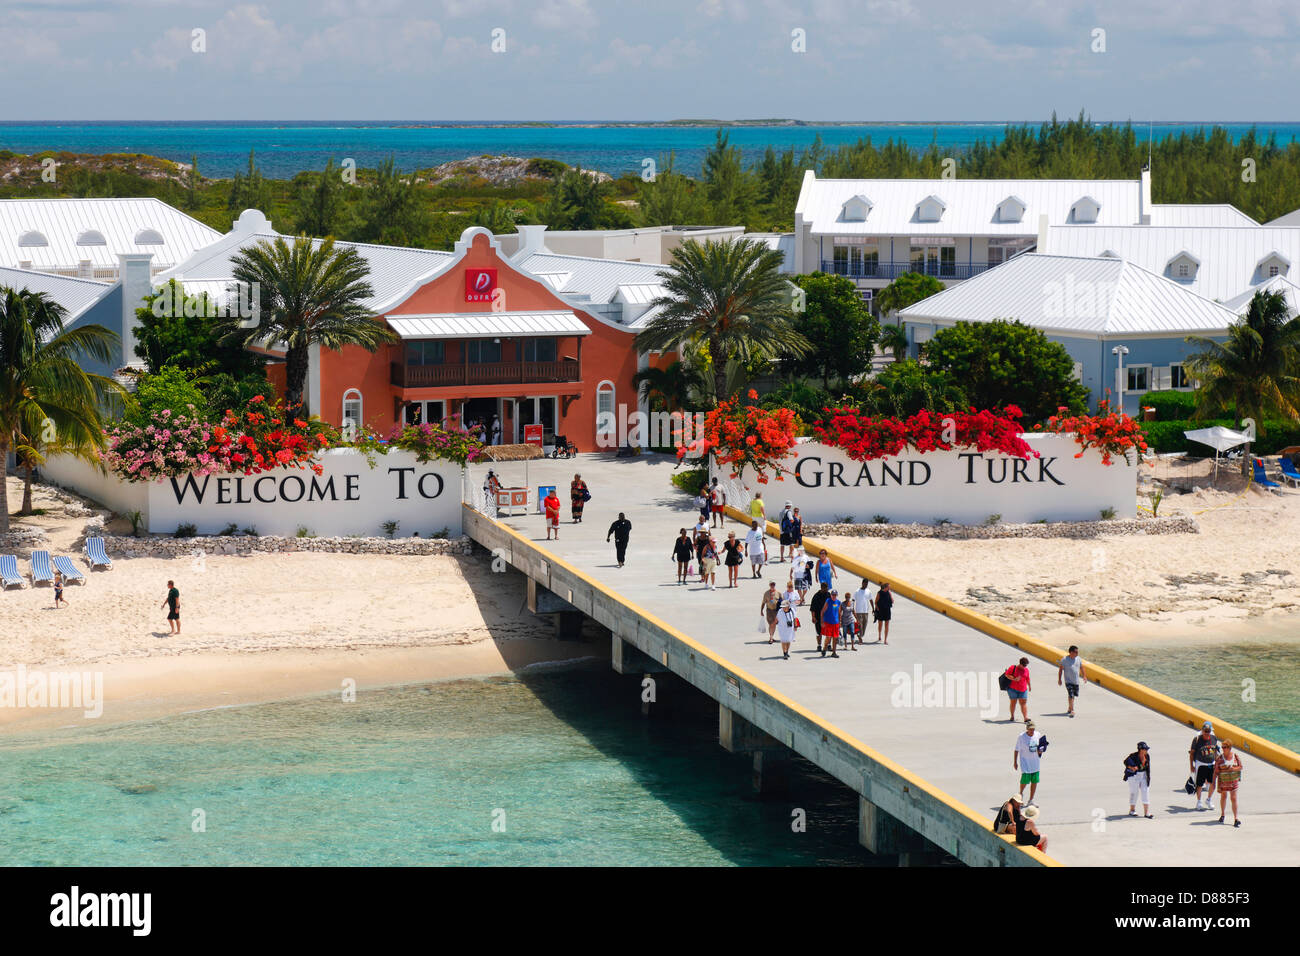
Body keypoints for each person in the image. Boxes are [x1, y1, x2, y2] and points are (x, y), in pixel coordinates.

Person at [1189, 721, 1221, 811]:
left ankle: (1209, 800)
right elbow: (1192, 753)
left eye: (1208, 731)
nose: (1207, 733)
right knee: (1199, 784)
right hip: (1200, 764)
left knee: (1213, 784)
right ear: (1202, 731)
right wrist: (1191, 765)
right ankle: (1199, 801)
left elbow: (1215, 751)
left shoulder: (1214, 738)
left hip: (1211, 764)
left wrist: (1217, 762)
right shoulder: (1197, 739)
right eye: (1205, 731)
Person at [1014, 719, 1045, 804]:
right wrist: (1015, 762)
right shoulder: (1021, 737)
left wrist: (1040, 751)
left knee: (1034, 781)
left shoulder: (1038, 734)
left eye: (1033, 729)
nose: (1032, 731)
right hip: (1025, 763)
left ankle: (1031, 800)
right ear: (1027, 729)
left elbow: (1040, 747)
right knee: (1024, 781)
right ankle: (1020, 795)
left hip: (1035, 763)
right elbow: (1016, 750)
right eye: (1030, 729)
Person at [1214, 739, 1243, 827]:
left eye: (1225, 747)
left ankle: (1236, 819)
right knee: (1224, 796)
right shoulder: (1219, 758)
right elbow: (1216, 770)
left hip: (1233, 782)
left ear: (1230, 748)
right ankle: (1223, 814)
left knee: (1233, 798)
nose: (1223, 749)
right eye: (1222, 747)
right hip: (1223, 781)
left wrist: (1233, 769)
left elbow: (1241, 767)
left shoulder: (1235, 756)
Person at [1124, 742, 1153, 818]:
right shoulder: (1133, 756)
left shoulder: (1147, 756)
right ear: (1140, 750)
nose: (1147, 750)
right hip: (1134, 776)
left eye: (1147, 749)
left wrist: (1148, 777)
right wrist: (1132, 767)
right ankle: (1132, 810)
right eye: (1145, 749)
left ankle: (1146, 813)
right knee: (1134, 792)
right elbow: (1126, 762)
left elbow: (1148, 768)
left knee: (1145, 791)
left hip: (1143, 775)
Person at [1057, 645, 1087, 718]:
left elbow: (1081, 667)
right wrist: (1059, 679)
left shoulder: (1078, 659)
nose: (1077, 653)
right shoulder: (1064, 659)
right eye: (1076, 652)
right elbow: (1061, 669)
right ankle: (1072, 710)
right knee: (1071, 695)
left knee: (1073, 695)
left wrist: (1084, 676)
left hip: (1076, 681)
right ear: (1071, 652)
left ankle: (1069, 708)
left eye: (1077, 652)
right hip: (1068, 681)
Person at [1004, 656, 1031, 722]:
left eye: (1026, 665)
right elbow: (1007, 675)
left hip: (1023, 689)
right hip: (1012, 689)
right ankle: (1012, 716)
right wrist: (1014, 679)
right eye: (1024, 665)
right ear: (1020, 664)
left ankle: (1025, 718)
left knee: (1023, 703)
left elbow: (1027, 678)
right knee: (1013, 703)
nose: (1025, 667)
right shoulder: (1013, 668)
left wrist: (1029, 686)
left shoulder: (1026, 670)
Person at [775, 586, 798, 660]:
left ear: (788, 606)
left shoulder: (792, 611)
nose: (784, 608)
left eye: (785, 607)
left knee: (788, 640)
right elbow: (776, 619)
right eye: (783, 607)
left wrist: (795, 626)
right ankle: (784, 652)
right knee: (783, 641)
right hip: (782, 628)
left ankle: (787, 651)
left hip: (790, 628)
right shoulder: (780, 611)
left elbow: (794, 618)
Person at [809, 582, 830, 653]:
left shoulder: (828, 595)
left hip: (827, 617)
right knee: (819, 632)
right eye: (826, 588)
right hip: (818, 617)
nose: (827, 590)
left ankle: (828, 645)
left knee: (828, 632)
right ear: (822, 588)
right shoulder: (816, 596)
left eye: (827, 588)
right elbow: (812, 608)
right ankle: (819, 645)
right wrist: (813, 617)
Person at [820, 589, 842, 658]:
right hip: (828, 622)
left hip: (836, 623)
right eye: (833, 595)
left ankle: (834, 652)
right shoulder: (828, 601)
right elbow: (822, 611)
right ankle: (824, 648)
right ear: (831, 595)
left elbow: (839, 613)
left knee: (835, 638)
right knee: (828, 637)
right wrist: (822, 621)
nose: (834, 596)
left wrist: (840, 622)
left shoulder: (838, 602)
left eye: (835, 595)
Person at [851, 578, 872, 646]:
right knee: (860, 625)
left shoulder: (868, 591)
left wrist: (873, 608)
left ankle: (860, 635)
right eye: (865, 583)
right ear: (862, 583)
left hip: (865, 611)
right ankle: (860, 638)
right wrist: (852, 608)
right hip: (859, 611)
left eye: (867, 584)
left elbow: (871, 600)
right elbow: (853, 600)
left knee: (864, 625)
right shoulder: (857, 591)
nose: (866, 585)